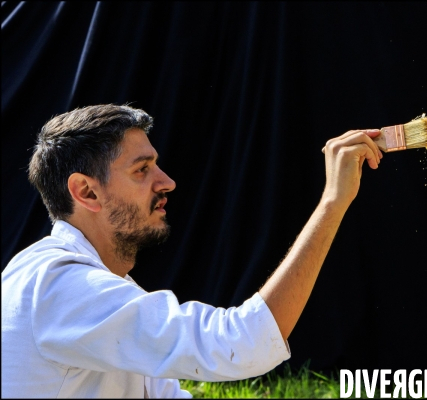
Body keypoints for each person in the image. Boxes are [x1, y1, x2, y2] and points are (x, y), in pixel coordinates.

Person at [1, 104, 382, 398]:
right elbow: (239, 344)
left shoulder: (90, 286)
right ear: (87, 192)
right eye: (142, 170)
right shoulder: (59, 284)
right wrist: (332, 202)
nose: (167, 182)